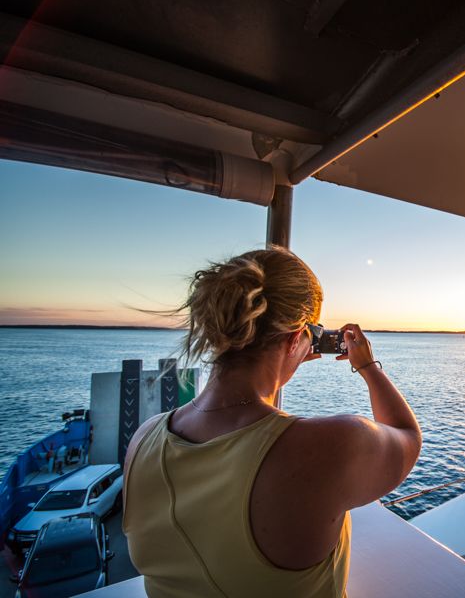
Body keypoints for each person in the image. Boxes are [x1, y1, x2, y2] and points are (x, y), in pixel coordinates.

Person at [122, 247, 421, 598]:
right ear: (297, 337)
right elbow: (407, 437)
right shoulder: (333, 445)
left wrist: (282, 365)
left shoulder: (144, 439)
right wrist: (367, 366)